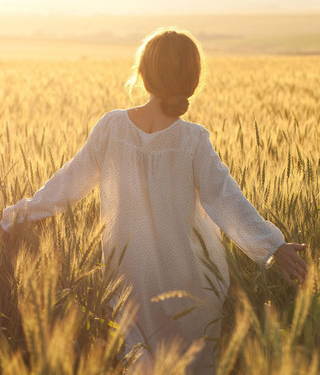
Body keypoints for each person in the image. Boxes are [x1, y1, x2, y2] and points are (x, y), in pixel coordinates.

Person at [0, 27, 307, 374]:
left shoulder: (112, 127)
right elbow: (226, 200)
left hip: (129, 281)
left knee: (138, 364)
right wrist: (272, 247)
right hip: (192, 284)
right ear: (192, 81)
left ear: (143, 75)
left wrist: (14, 216)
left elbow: (67, 185)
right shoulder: (193, 139)